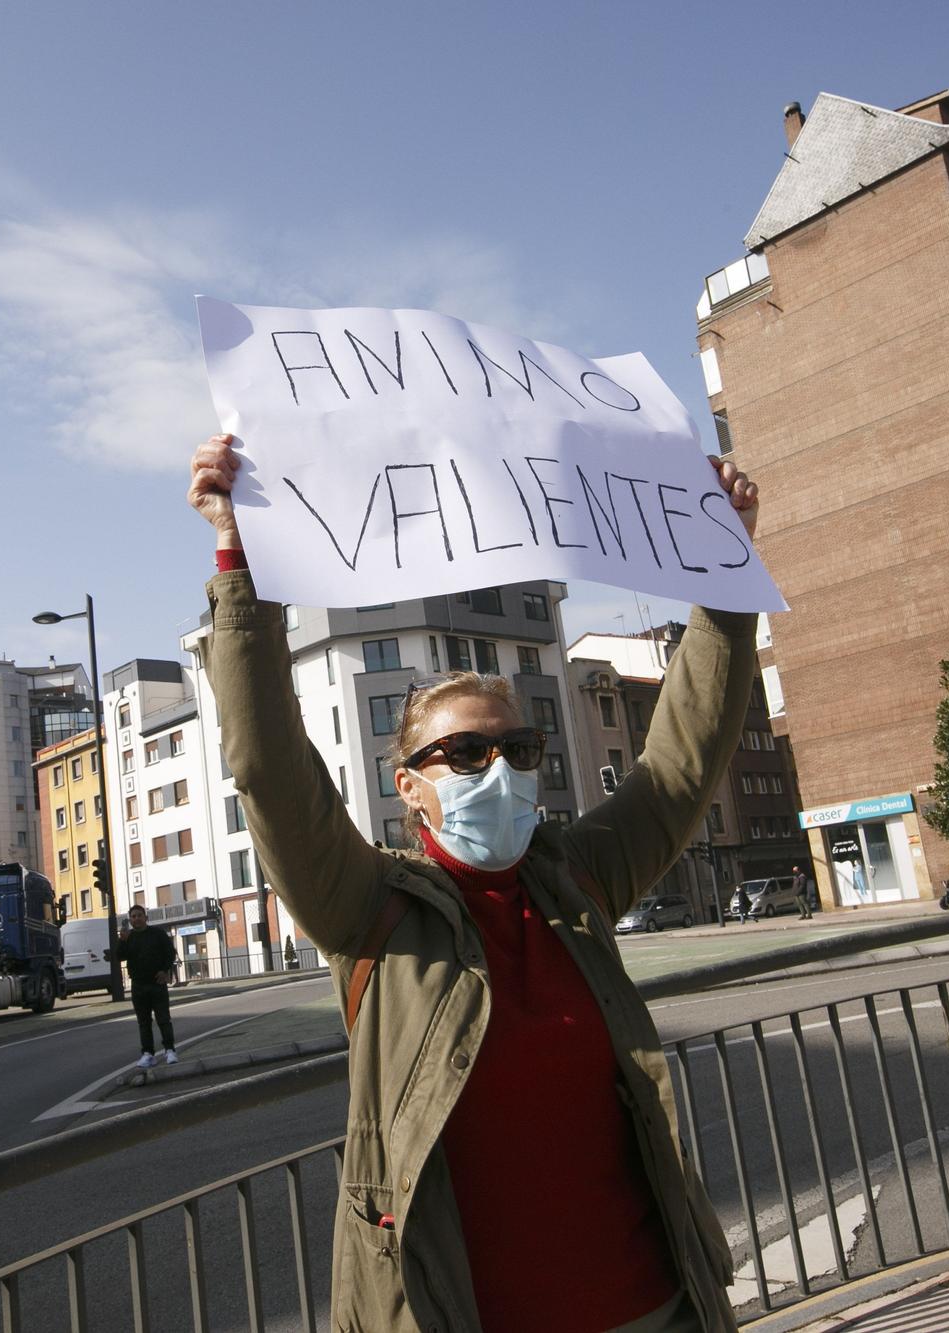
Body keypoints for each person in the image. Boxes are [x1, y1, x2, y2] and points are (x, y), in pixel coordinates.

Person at [189, 432, 759, 1333]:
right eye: (464, 750)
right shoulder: (368, 907)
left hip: (657, 1304)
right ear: (408, 784)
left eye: (517, 747)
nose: (499, 767)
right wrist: (242, 567)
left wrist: (724, 588)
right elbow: (269, 767)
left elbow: (682, 769)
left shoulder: (576, 880)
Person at [117, 904, 178, 1068]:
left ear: (146, 917)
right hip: (138, 985)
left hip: (157, 984)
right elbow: (119, 956)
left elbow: (170, 953)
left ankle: (170, 1050)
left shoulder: (157, 934)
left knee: (163, 1019)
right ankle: (148, 1054)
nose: (136, 919)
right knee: (143, 1022)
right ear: (130, 920)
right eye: (133, 916)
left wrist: (165, 971)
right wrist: (122, 941)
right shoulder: (128, 937)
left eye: (139, 915)